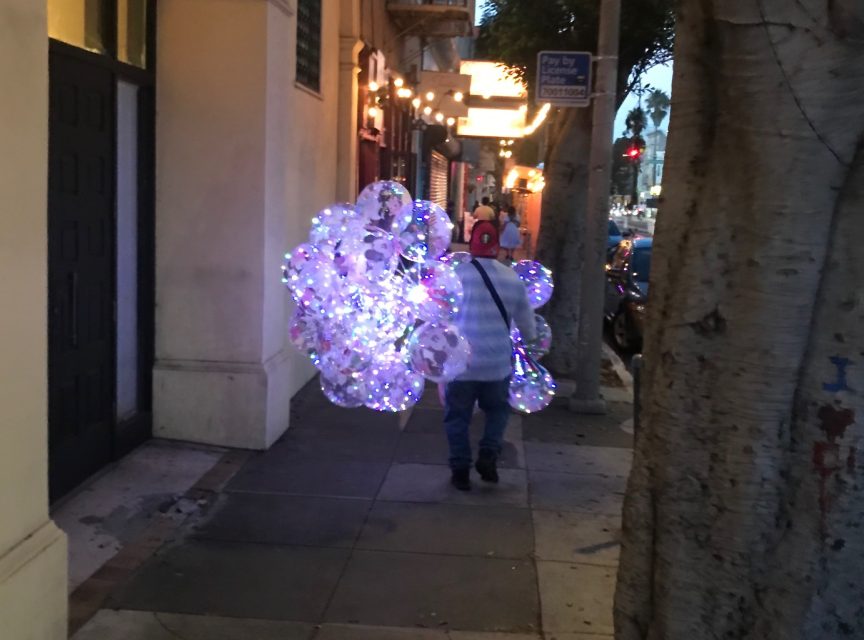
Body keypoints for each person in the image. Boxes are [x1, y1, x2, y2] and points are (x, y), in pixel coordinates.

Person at [443, 220, 537, 491]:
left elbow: (441, 317)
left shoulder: (456, 276)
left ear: (471, 244)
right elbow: (528, 329)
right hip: (496, 364)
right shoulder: (512, 279)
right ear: (498, 246)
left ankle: (460, 470)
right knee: (497, 411)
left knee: (457, 416)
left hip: (462, 364)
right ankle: (488, 454)